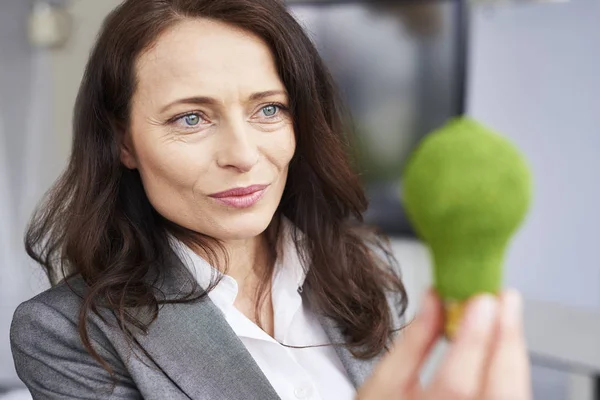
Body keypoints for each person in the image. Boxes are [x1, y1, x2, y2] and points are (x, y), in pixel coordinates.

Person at [9, 0, 531, 399]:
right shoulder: (66, 334)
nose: (243, 154)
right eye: (190, 118)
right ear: (123, 141)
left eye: (269, 110)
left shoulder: (360, 266)